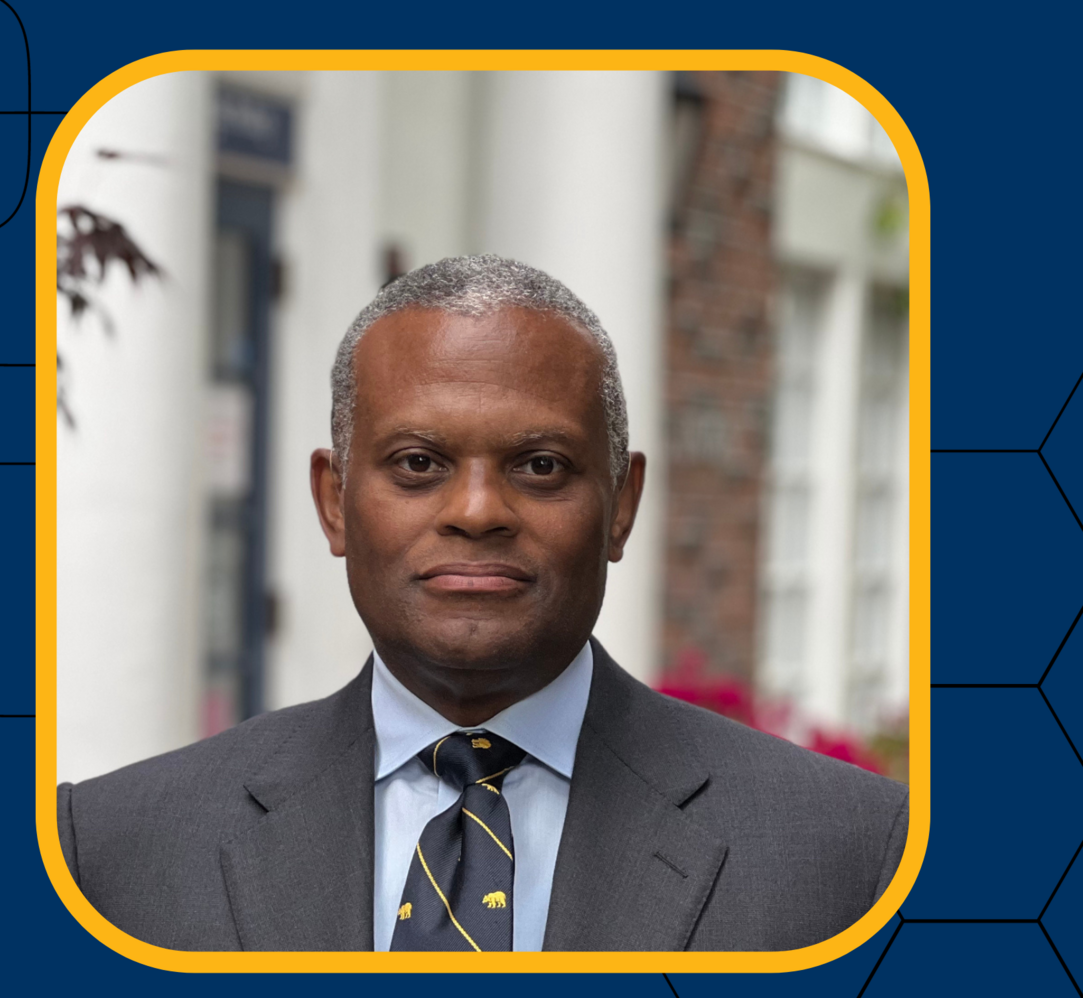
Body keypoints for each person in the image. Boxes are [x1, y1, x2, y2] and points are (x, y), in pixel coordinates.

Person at [57, 255, 908, 953]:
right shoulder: (107, 852)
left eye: (540, 466)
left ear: (621, 503)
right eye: (418, 463)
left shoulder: (854, 856)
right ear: (333, 501)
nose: (475, 511)